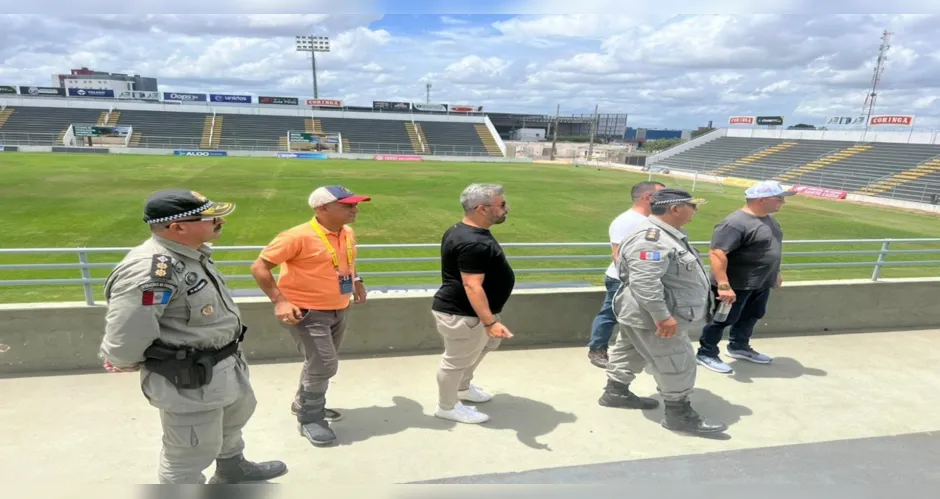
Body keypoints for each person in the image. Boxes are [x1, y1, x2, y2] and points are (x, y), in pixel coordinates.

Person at [99, 189, 288, 484]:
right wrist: (122, 359)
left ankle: (232, 469)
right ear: (177, 228)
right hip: (189, 379)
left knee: (230, 424)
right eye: (210, 217)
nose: (220, 221)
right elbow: (128, 329)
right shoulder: (152, 270)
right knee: (188, 452)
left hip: (221, 365)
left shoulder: (189, 255)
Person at [249, 185, 370, 447]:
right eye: (347, 205)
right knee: (324, 364)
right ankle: (310, 419)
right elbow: (259, 267)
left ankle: (303, 402)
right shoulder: (296, 236)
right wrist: (280, 301)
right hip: (307, 312)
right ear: (321, 209)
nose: (355, 209)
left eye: (355, 204)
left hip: (340, 306)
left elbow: (346, 261)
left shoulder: (346, 232)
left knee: (317, 362)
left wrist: (357, 280)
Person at [599, 188, 727, 435]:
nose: (695, 210)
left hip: (641, 315)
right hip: (655, 318)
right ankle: (678, 415)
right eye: (692, 205)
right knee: (677, 362)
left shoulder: (666, 235)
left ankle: (615, 392)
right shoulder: (652, 239)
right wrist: (663, 317)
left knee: (630, 352)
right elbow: (645, 282)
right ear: (675, 209)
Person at [430, 183, 515, 424]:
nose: (506, 209)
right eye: (501, 204)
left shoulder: (464, 231)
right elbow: (472, 286)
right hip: (463, 314)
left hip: (475, 314)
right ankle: (447, 406)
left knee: (489, 344)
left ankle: (463, 387)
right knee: (455, 361)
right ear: (481, 209)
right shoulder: (474, 242)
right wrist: (489, 321)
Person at [696, 180, 793, 374]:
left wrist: (776, 273)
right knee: (722, 319)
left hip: (761, 282)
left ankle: (739, 346)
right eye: (779, 198)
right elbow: (717, 253)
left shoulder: (769, 219)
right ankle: (706, 352)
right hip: (736, 284)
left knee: (753, 315)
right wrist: (724, 285)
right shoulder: (734, 224)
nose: (783, 202)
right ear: (762, 199)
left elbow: (770, 248)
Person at [587, 181, 665, 368]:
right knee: (610, 314)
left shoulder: (653, 221)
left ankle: (640, 350)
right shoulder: (626, 221)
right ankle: (597, 349)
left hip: (643, 279)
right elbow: (618, 256)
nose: (667, 199)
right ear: (648, 198)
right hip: (622, 280)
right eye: (662, 195)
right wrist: (634, 281)